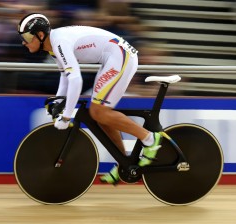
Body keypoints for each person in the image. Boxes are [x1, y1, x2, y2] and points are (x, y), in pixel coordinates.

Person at [17, 13, 162, 185]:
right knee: (100, 115)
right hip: (112, 57)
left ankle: (150, 139)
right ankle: (124, 162)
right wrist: (58, 101)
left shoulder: (58, 43)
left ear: (40, 35)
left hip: (120, 56)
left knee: (98, 112)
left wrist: (67, 116)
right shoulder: (52, 46)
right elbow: (65, 75)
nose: (23, 42)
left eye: (26, 37)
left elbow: (75, 79)